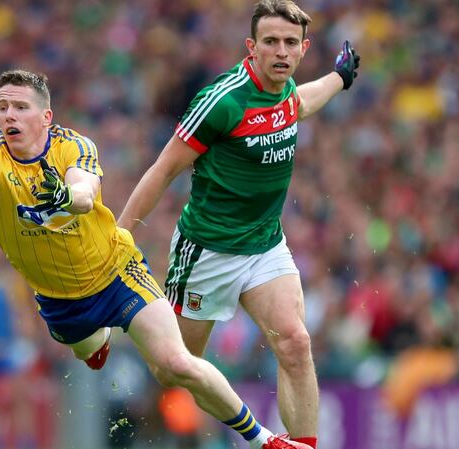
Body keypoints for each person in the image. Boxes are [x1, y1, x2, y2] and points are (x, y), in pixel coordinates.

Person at [0, 69, 313, 449]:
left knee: (177, 362)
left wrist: (64, 197)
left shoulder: (73, 146)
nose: (8, 116)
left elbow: (85, 193)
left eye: (20, 107)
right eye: (2, 107)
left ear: (46, 117)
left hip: (117, 273)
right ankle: (100, 342)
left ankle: (264, 440)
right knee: (89, 351)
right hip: (60, 299)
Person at [117, 2, 361, 448]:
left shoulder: (285, 90)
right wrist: (121, 235)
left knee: (295, 342)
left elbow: (300, 103)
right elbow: (163, 169)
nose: (281, 51)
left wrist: (340, 79)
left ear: (304, 48)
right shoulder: (222, 100)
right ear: (252, 47)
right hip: (207, 253)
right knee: (173, 370)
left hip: (266, 244)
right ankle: (143, 431)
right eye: (271, 42)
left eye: (290, 43)